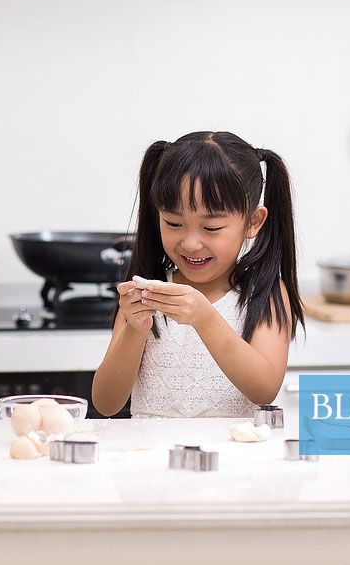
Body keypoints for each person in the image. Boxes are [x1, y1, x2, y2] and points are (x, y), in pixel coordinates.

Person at [92, 132, 303, 418]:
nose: (190, 243)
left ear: (253, 222)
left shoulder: (264, 292)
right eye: (174, 223)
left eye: (211, 228)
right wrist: (133, 327)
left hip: (234, 457)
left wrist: (205, 319)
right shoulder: (147, 290)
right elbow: (106, 403)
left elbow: (264, 389)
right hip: (150, 456)